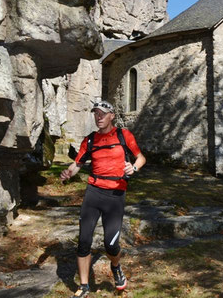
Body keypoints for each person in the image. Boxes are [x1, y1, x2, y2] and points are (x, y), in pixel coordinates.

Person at [60, 100, 146, 298]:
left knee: (111, 244)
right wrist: (68, 173)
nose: (98, 117)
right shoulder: (90, 140)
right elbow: (78, 164)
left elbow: (141, 157)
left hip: (116, 194)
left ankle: (115, 266)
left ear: (111, 116)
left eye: (103, 113)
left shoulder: (124, 135)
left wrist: (133, 167)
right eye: (96, 113)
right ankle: (84, 286)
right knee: (83, 241)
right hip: (93, 193)